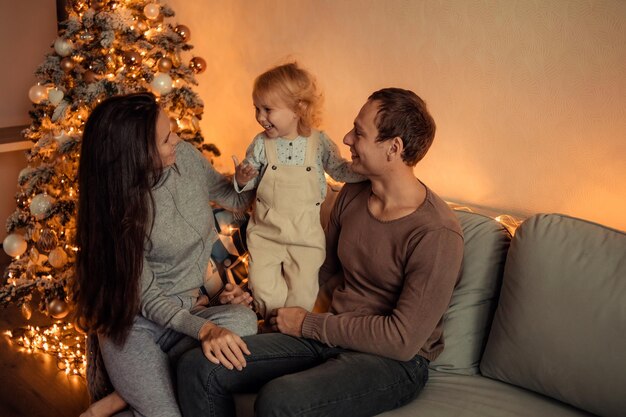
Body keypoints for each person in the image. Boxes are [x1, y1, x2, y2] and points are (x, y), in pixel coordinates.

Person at [177, 88, 465, 417]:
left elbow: (402, 339)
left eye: (359, 132)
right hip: (328, 331)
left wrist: (309, 325)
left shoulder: (437, 233)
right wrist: (256, 299)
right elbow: (318, 271)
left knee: (280, 399)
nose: (346, 138)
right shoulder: (353, 196)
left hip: (393, 362)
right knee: (200, 366)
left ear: (393, 148)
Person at [73, 92, 259, 417]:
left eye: (171, 130)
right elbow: (149, 300)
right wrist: (205, 330)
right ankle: (131, 391)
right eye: (164, 139)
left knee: (243, 321)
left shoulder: (183, 156)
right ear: (135, 154)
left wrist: (246, 182)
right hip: (134, 326)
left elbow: (231, 197)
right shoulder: (117, 210)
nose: (176, 139)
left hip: (186, 310)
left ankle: (124, 395)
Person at [233, 62, 364, 320]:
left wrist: (365, 170)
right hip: (265, 236)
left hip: (305, 238)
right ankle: (270, 329)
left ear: (298, 108)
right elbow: (249, 178)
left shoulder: (318, 143)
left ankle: (290, 335)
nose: (260, 116)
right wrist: (241, 178)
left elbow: (338, 170)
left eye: (268, 109)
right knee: (262, 288)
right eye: (256, 108)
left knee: (302, 295)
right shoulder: (261, 143)